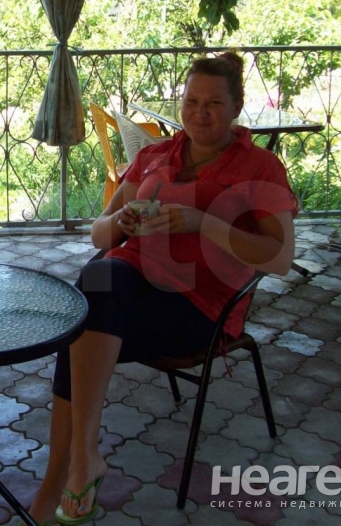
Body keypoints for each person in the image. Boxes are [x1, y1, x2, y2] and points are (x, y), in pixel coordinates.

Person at [30, 52, 297, 524]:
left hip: (200, 306)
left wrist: (203, 222)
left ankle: (58, 482)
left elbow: (279, 259)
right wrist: (122, 220)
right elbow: (100, 235)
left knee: (80, 330)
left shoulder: (260, 167)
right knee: (97, 280)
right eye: (191, 101)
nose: (200, 113)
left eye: (214, 103)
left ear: (236, 108)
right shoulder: (155, 156)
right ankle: (81, 462)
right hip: (134, 284)